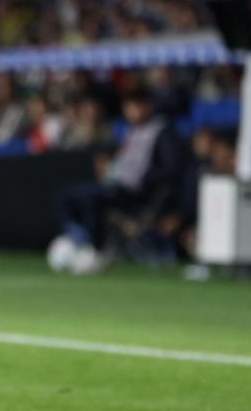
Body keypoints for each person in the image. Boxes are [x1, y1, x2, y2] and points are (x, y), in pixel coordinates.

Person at [48, 84, 186, 275]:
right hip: (116, 185)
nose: (131, 111)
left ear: (147, 106)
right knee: (66, 196)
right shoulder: (131, 131)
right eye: (128, 106)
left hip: (137, 192)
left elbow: (171, 167)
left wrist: (146, 178)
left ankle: (95, 250)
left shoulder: (162, 132)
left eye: (135, 106)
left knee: (92, 199)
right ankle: (77, 239)